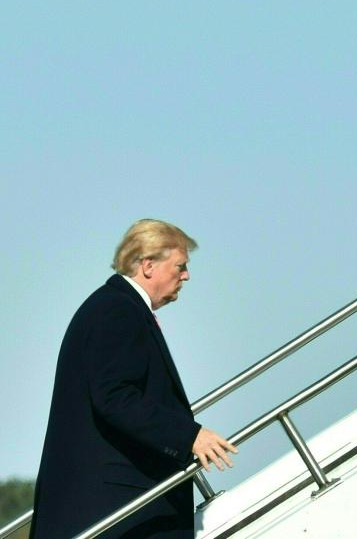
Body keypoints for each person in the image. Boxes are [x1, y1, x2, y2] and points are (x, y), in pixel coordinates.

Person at [30, 220, 237, 539]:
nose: (186, 276)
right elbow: (115, 397)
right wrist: (188, 436)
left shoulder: (115, 306)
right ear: (148, 265)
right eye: (180, 266)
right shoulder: (117, 310)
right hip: (117, 512)